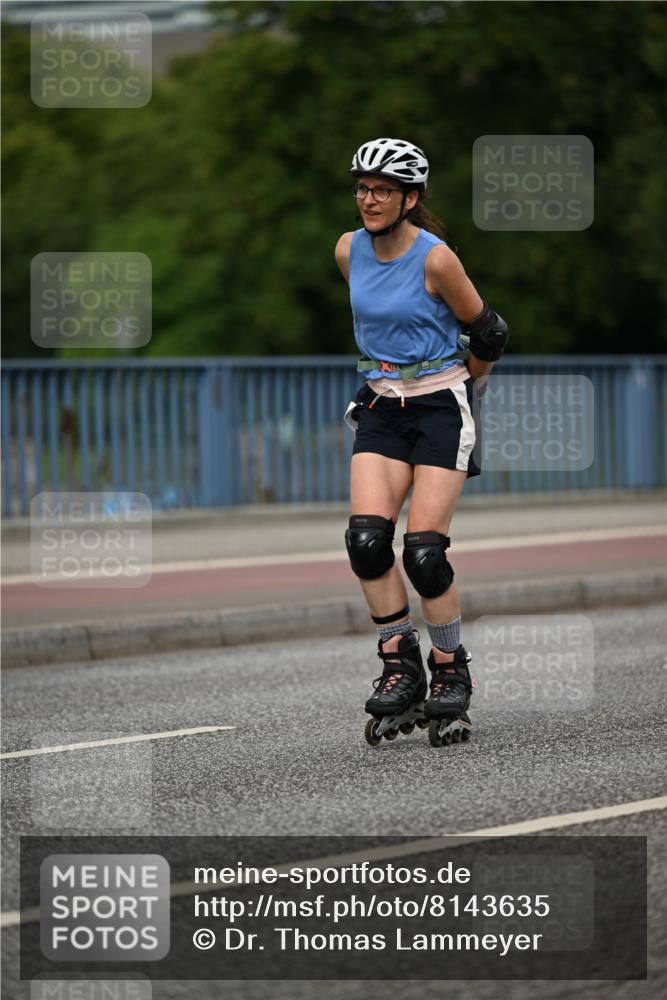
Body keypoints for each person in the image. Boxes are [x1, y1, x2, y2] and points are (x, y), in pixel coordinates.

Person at [335, 137, 509, 747]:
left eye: (383, 190)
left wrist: (463, 387)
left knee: (424, 554)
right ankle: (398, 662)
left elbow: (488, 331)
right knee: (365, 542)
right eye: (362, 188)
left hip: (440, 407)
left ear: (410, 197)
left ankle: (448, 667)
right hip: (382, 404)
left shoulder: (437, 260)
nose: (369, 199)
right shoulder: (348, 251)